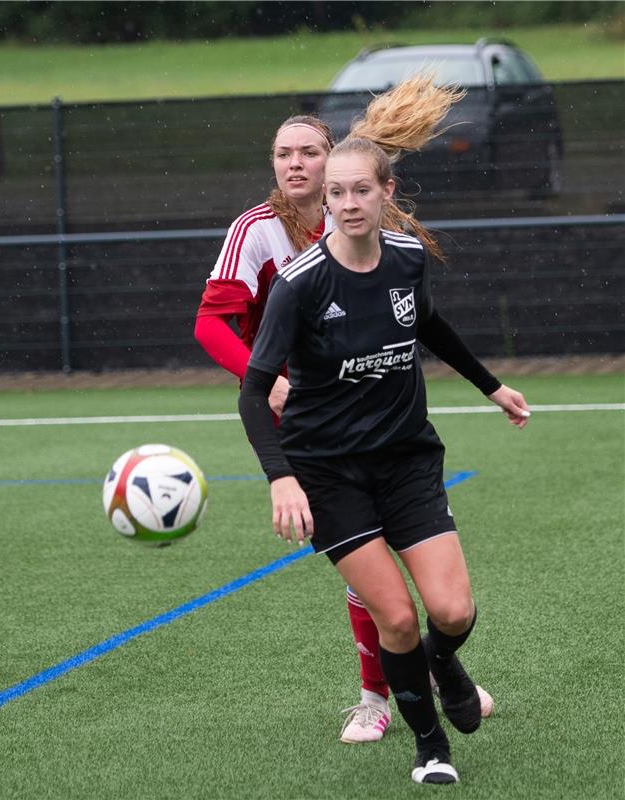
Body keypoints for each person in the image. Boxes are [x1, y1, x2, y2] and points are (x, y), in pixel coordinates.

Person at [195, 77, 493, 746]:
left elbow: (421, 312)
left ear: (337, 164)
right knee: (371, 573)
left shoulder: (362, 217)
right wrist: (262, 380)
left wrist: (489, 384)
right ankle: (375, 698)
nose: (295, 164)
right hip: (307, 423)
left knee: (408, 586)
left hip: (379, 416)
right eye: (283, 153)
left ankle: (428, 674)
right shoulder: (257, 231)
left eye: (309, 153)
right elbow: (211, 324)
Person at [237, 130, 531, 784]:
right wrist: (281, 477)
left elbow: (427, 325)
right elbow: (255, 391)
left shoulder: (405, 257)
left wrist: (492, 387)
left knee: (452, 613)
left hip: (407, 462)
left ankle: (444, 662)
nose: (346, 203)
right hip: (331, 473)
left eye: (360, 190)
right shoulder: (301, 284)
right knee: (394, 617)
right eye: (335, 192)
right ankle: (431, 747)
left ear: (386, 193)